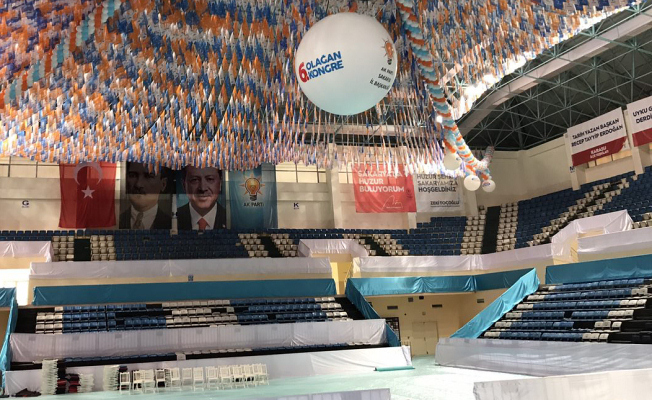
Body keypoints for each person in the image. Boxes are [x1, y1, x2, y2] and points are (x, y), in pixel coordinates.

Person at [119, 163, 172, 229]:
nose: (138, 184)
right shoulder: (117, 221)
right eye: (132, 175)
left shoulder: (171, 223)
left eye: (149, 176)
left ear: (163, 184)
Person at [177, 166, 227, 230]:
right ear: (184, 185)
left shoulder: (231, 218)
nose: (203, 188)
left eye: (210, 179)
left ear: (220, 183)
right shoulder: (172, 218)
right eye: (195, 180)